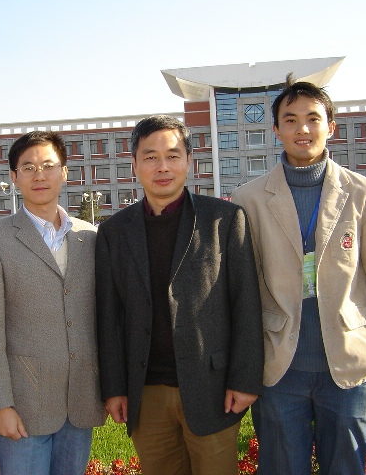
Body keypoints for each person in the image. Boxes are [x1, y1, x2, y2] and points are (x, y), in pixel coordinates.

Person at [231, 76, 366, 474]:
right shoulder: (249, 199)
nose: (303, 129)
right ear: (276, 129)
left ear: (331, 127)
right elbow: (243, 289)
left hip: (348, 366)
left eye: (313, 118)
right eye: (290, 120)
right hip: (280, 368)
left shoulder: (364, 193)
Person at [96, 115, 263, 475]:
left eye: (172, 156)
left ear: (189, 161)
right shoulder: (114, 232)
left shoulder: (224, 219)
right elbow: (109, 317)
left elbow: (246, 303)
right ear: (134, 165)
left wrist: (245, 378)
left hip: (212, 386)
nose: (162, 167)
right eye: (150, 157)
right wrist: (113, 387)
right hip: (146, 392)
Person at [0, 131, 106, 475]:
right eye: (28, 167)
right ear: (14, 178)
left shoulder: (90, 236)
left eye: (48, 165)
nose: (39, 175)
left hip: (80, 400)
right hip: (23, 406)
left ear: (65, 172)